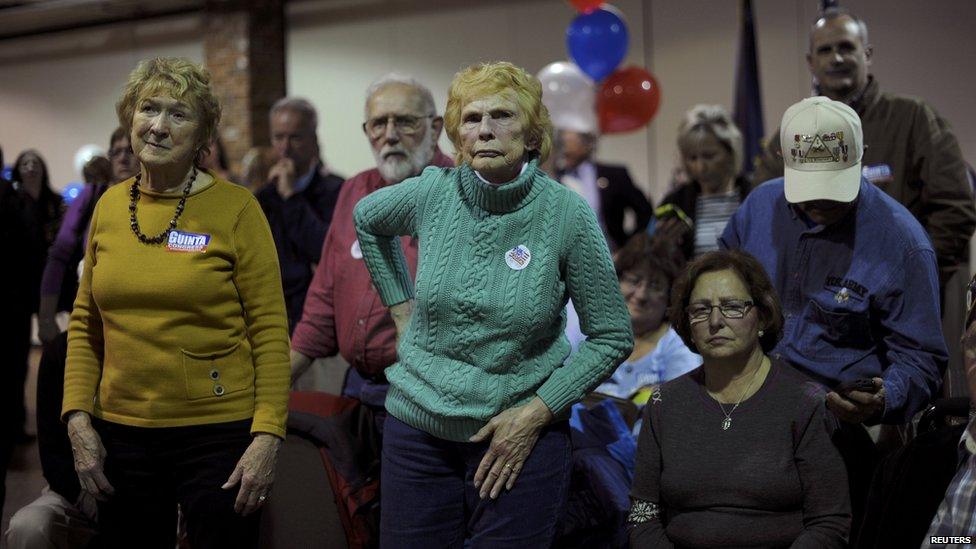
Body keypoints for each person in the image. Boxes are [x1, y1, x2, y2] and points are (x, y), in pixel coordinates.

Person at [353, 61, 633, 547]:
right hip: (417, 433)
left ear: (531, 134)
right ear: (457, 137)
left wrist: (538, 413)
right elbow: (367, 220)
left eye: (502, 116)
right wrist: (401, 310)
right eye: (471, 118)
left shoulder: (565, 214)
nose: (485, 130)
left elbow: (611, 336)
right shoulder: (431, 193)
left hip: (519, 441)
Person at [61, 57, 290, 549]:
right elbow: (85, 325)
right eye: (149, 109)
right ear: (131, 118)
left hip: (218, 435)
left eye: (179, 114)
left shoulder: (237, 209)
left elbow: (270, 330)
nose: (159, 126)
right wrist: (78, 417)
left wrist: (268, 435)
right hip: (121, 432)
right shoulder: (106, 207)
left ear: (203, 135)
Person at [721, 96, 947, 531]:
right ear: (785, 163)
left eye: (833, 187)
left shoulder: (903, 244)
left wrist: (885, 396)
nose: (821, 202)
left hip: (837, 427)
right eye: (809, 187)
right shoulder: (757, 210)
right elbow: (720, 291)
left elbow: (923, 360)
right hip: (743, 404)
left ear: (861, 160)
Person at [629, 249, 850, 547]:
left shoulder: (806, 402)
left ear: (762, 317)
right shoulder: (664, 403)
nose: (716, 320)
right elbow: (643, 515)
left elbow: (829, 522)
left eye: (733, 307)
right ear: (688, 327)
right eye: (701, 309)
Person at [752, 8, 975, 288]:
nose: (836, 58)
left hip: (897, 297)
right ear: (810, 62)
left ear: (867, 54)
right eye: (825, 50)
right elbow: (763, 213)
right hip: (817, 301)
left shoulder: (914, 118)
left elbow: (955, 208)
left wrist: (914, 276)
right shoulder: (792, 133)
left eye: (846, 47)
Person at [290, 73, 453, 422]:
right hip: (358, 391)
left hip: (428, 396)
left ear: (435, 128)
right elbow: (324, 299)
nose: (390, 135)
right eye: (379, 123)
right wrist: (275, 384)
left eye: (405, 122)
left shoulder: (461, 194)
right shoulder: (354, 191)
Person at [565, 232, 700, 399]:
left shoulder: (679, 347)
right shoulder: (586, 332)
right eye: (634, 280)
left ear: (670, 296)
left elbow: (682, 405)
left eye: (655, 286)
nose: (641, 295)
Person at [38, 128, 139, 345]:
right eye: (117, 151)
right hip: (91, 310)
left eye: (130, 150)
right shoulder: (93, 194)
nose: (123, 157)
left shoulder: (157, 200)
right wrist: (46, 317)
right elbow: (60, 254)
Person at [256, 97, 345, 331]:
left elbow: (325, 250)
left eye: (294, 137)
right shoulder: (263, 198)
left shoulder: (338, 190)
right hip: (274, 320)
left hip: (324, 323)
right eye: (278, 137)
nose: (284, 147)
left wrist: (290, 197)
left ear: (313, 139)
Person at [7, 149, 64, 442]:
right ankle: (15, 422)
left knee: (54, 355)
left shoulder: (55, 203)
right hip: (17, 289)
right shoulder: (11, 202)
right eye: (25, 163)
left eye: (35, 162)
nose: (30, 167)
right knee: (16, 359)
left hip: (48, 288)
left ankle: (55, 421)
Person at [659, 105, 750, 259]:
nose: (700, 167)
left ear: (730, 152)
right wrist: (662, 245)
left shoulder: (754, 197)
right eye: (692, 158)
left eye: (709, 156)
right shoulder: (676, 202)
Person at [554, 129, 653, 249]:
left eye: (568, 142)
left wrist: (632, 245)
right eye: (562, 143)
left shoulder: (614, 175)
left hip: (612, 257)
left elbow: (644, 210)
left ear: (586, 145)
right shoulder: (554, 178)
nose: (564, 148)